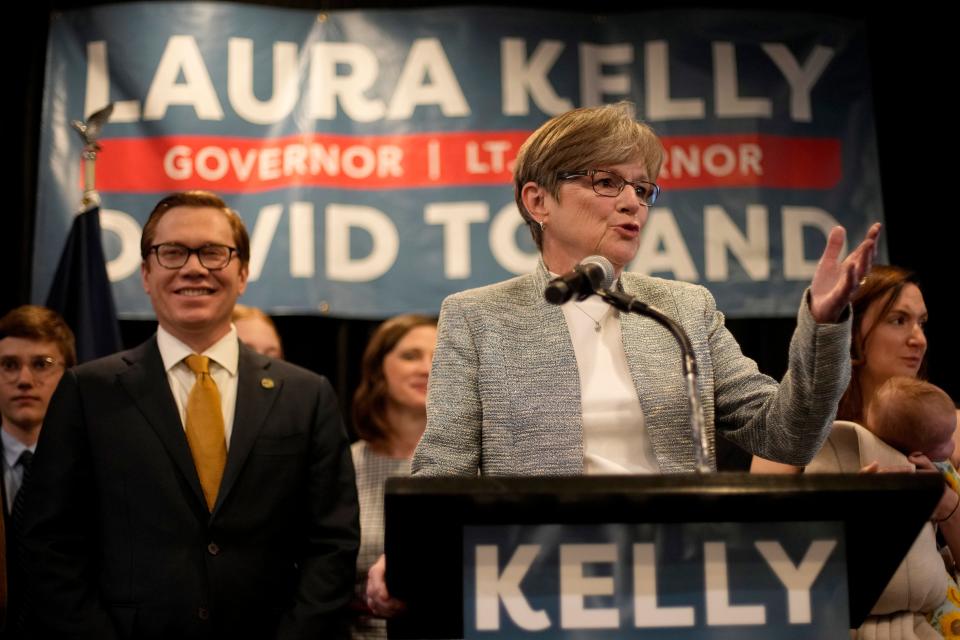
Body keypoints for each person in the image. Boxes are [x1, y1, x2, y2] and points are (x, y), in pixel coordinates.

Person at [367, 101, 880, 613]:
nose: (633, 202)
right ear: (537, 200)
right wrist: (411, 554)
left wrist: (824, 323)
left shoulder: (682, 308)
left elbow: (784, 435)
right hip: (536, 585)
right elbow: (444, 469)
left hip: (679, 578)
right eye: (606, 182)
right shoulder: (478, 317)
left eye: (642, 188)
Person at [21, 190, 359, 638]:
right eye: (173, 252)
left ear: (242, 273)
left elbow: (332, 544)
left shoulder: (306, 395)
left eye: (213, 253)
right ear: (145, 273)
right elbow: (49, 544)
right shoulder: (88, 391)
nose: (194, 267)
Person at [350, 314, 436, 639]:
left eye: (438, 355)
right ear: (377, 369)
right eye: (410, 356)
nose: (427, 368)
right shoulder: (343, 466)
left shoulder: (475, 466)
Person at [0, 305, 75, 635]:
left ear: (69, 373)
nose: (24, 380)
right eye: (8, 365)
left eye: (41, 365)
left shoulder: (94, 469)